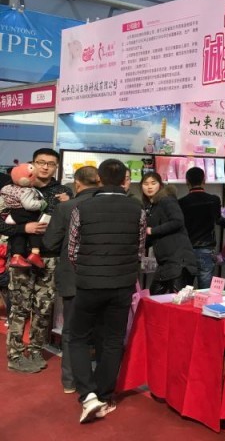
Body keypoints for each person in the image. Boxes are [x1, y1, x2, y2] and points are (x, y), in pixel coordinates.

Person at [67, 158, 145, 423]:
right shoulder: (137, 208)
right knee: (113, 339)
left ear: (99, 179)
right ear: (125, 180)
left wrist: (87, 271)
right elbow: (139, 249)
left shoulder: (82, 207)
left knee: (78, 337)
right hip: (122, 284)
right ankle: (103, 394)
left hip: (89, 284)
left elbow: (72, 250)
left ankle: (88, 395)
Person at [6, 148, 72, 374]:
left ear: (56, 167)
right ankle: (15, 354)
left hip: (50, 258)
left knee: (44, 309)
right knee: (19, 308)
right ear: (32, 163)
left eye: (50, 164)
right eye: (41, 162)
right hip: (21, 257)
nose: (45, 167)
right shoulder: (15, 187)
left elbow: (71, 226)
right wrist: (24, 228)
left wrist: (69, 204)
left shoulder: (63, 192)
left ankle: (36, 349)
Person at [41, 166, 100, 394]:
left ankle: (70, 380)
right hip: (105, 277)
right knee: (104, 331)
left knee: (72, 331)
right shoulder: (112, 206)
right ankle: (101, 380)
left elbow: (50, 243)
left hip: (73, 276)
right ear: (99, 181)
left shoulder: (66, 207)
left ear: (77, 183)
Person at [141, 172, 198, 294]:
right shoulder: (151, 207)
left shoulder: (167, 199)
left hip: (179, 262)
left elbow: (177, 221)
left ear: (160, 185)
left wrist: (152, 230)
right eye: (145, 184)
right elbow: (151, 237)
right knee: (154, 298)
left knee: (178, 300)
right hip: (165, 263)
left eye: (153, 183)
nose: (149, 187)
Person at [178, 167, 221, 289]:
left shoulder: (181, 202)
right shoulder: (214, 200)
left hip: (186, 250)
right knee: (205, 291)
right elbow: (218, 220)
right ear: (204, 180)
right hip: (206, 249)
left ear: (187, 181)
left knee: (185, 290)